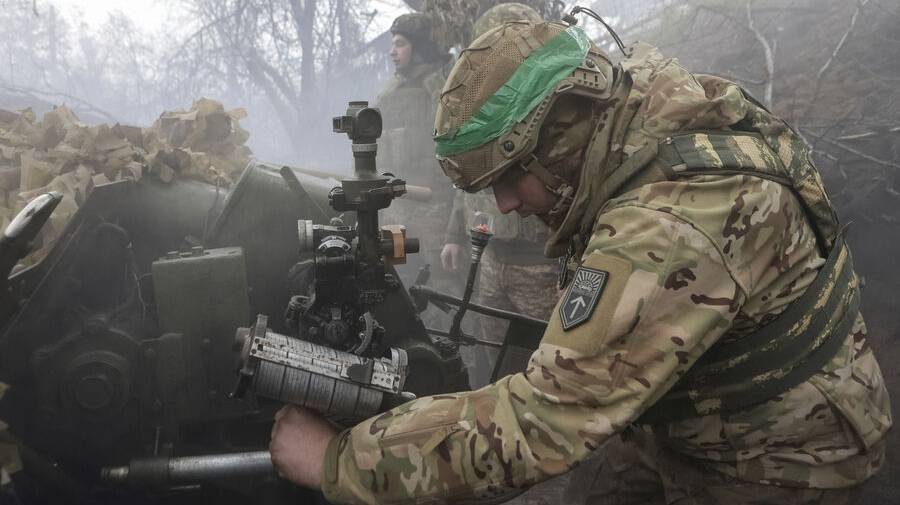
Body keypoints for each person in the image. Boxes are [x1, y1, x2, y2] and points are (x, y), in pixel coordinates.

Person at [270, 19, 892, 505]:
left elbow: (540, 423)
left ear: (561, 132)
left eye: (512, 176)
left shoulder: (670, 224)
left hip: (779, 453)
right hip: (680, 410)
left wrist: (338, 460)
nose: (507, 202)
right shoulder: (632, 114)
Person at [441, 2, 557, 389]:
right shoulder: (477, 107)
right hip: (491, 258)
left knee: (551, 365)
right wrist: (455, 236)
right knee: (497, 362)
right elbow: (468, 180)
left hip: (541, 265)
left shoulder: (557, 102)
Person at [376, 13, 460, 309]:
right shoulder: (388, 94)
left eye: (400, 44)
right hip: (397, 209)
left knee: (445, 291)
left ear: (421, 47)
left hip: (436, 208)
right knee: (395, 281)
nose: (392, 51)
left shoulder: (446, 89)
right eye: (392, 44)